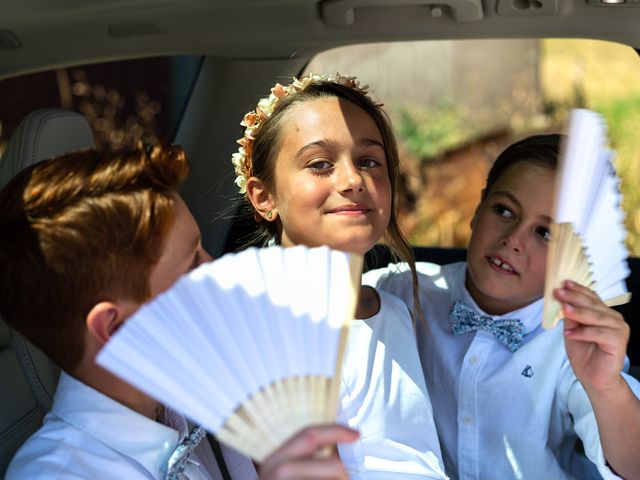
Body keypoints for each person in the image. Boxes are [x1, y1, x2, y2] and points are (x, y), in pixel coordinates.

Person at [0, 143, 358, 480]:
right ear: (116, 327)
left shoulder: (193, 404)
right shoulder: (64, 473)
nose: (216, 269)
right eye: (191, 266)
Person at [363, 134, 640, 479]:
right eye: (504, 210)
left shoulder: (576, 339)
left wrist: (607, 388)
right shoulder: (404, 290)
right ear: (478, 210)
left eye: (546, 233)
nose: (514, 239)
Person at [232, 73, 448, 479]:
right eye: (320, 165)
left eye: (369, 161)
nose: (352, 180)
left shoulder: (392, 307)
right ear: (264, 197)